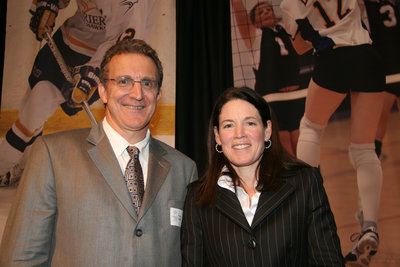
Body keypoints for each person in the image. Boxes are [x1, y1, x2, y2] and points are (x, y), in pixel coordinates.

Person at [0, 39, 198, 266]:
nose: (137, 93)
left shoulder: (184, 169)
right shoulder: (52, 154)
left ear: (158, 94)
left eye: (147, 83)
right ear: (103, 91)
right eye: (124, 81)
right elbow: (22, 257)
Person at [181, 87, 344, 266]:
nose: (239, 134)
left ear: (267, 131)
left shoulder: (305, 183)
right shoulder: (197, 198)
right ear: (218, 136)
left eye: (250, 123)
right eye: (229, 125)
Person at [0, 0, 157, 186]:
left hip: (97, 58)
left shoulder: (134, 5)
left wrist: (94, 73)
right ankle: (25, 167)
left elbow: (124, 47)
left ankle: (4, 165)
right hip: (67, 39)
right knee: (31, 104)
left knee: (36, 106)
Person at [280, 0, 385, 265]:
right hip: (368, 56)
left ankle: (307, 205)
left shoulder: (288, 2)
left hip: (333, 57)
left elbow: (301, 46)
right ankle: (370, 227)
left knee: (311, 127)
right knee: (364, 148)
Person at [230, 0, 314, 156]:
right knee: (286, 150)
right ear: (254, 21)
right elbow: (239, 11)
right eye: (260, 12)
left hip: (299, 96)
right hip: (272, 99)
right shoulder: (254, 36)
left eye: (269, 9)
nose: (267, 12)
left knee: (303, 147)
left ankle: (312, 180)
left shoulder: (286, 29)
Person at [363, 0, 400, 157]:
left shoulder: (366, 7)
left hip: (386, 71)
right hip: (394, 68)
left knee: (378, 128)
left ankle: (373, 162)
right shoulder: (391, 6)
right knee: (379, 125)